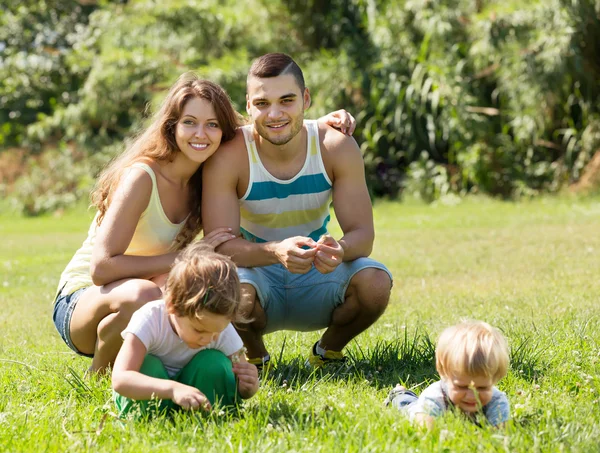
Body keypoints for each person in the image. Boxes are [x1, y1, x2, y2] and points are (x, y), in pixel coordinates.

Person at [52, 71, 355, 374]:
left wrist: (316, 125)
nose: (201, 134)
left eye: (212, 125)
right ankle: (100, 376)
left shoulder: (206, 177)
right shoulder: (142, 177)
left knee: (199, 291)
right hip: (83, 301)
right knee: (148, 295)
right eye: (189, 123)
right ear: (172, 126)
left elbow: (266, 127)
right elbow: (101, 268)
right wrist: (184, 258)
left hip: (148, 292)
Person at [202, 53, 393, 369]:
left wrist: (339, 250)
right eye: (262, 103)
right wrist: (276, 251)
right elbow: (221, 247)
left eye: (286, 101)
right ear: (248, 106)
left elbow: (363, 236)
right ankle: (255, 358)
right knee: (226, 290)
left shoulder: (336, 146)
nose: (274, 113)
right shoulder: (229, 155)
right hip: (256, 275)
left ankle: (326, 353)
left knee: (375, 283)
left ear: (305, 99)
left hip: (317, 272)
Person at [112, 242, 258, 416]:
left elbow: (235, 379)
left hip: (197, 403)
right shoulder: (150, 319)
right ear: (172, 305)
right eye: (199, 330)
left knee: (214, 363)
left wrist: (248, 387)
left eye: (217, 331)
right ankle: (150, 416)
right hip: (150, 401)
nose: (209, 339)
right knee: (147, 366)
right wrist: (172, 389)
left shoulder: (218, 328)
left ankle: (209, 414)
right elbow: (121, 378)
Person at [384, 321, 510, 428]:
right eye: (462, 387)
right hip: (416, 409)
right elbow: (425, 432)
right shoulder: (434, 398)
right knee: (407, 405)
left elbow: (500, 433)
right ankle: (399, 393)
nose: (472, 396)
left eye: (482, 388)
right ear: (444, 374)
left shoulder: (497, 400)